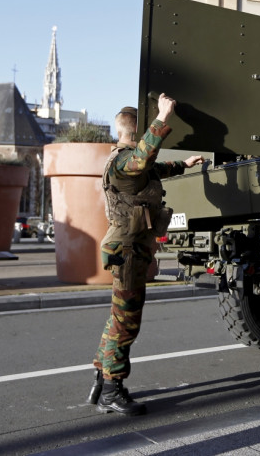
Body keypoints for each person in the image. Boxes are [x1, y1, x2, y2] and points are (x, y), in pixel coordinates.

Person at [86, 93, 204, 416]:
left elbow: (153, 168)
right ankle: (112, 390)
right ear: (135, 132)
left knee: (118, 317)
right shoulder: (124, 162)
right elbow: (141, 161)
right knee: (127, 322)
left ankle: (101, 379)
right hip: (127, 251)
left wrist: (184, 164)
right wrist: (162, 118)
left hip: (130, 249)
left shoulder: (128, 163)